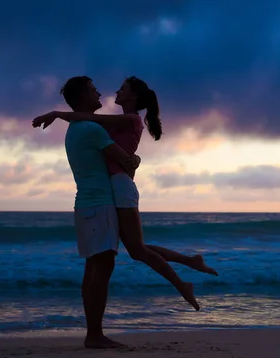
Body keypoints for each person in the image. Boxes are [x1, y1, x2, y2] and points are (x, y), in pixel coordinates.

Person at [33, 77, 217, 316]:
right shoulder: (104, 127)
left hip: (120, 187)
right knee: (136, 248)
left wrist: (57, 113)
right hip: (114, 187)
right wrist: (132, 161)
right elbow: (114, 145)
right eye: (94, 90)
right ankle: (190, 263)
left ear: (133, 97)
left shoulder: (127, 119)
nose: (109, 92)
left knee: (136, 250)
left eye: (122, 89)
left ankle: (183, 282)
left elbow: (99, 126)